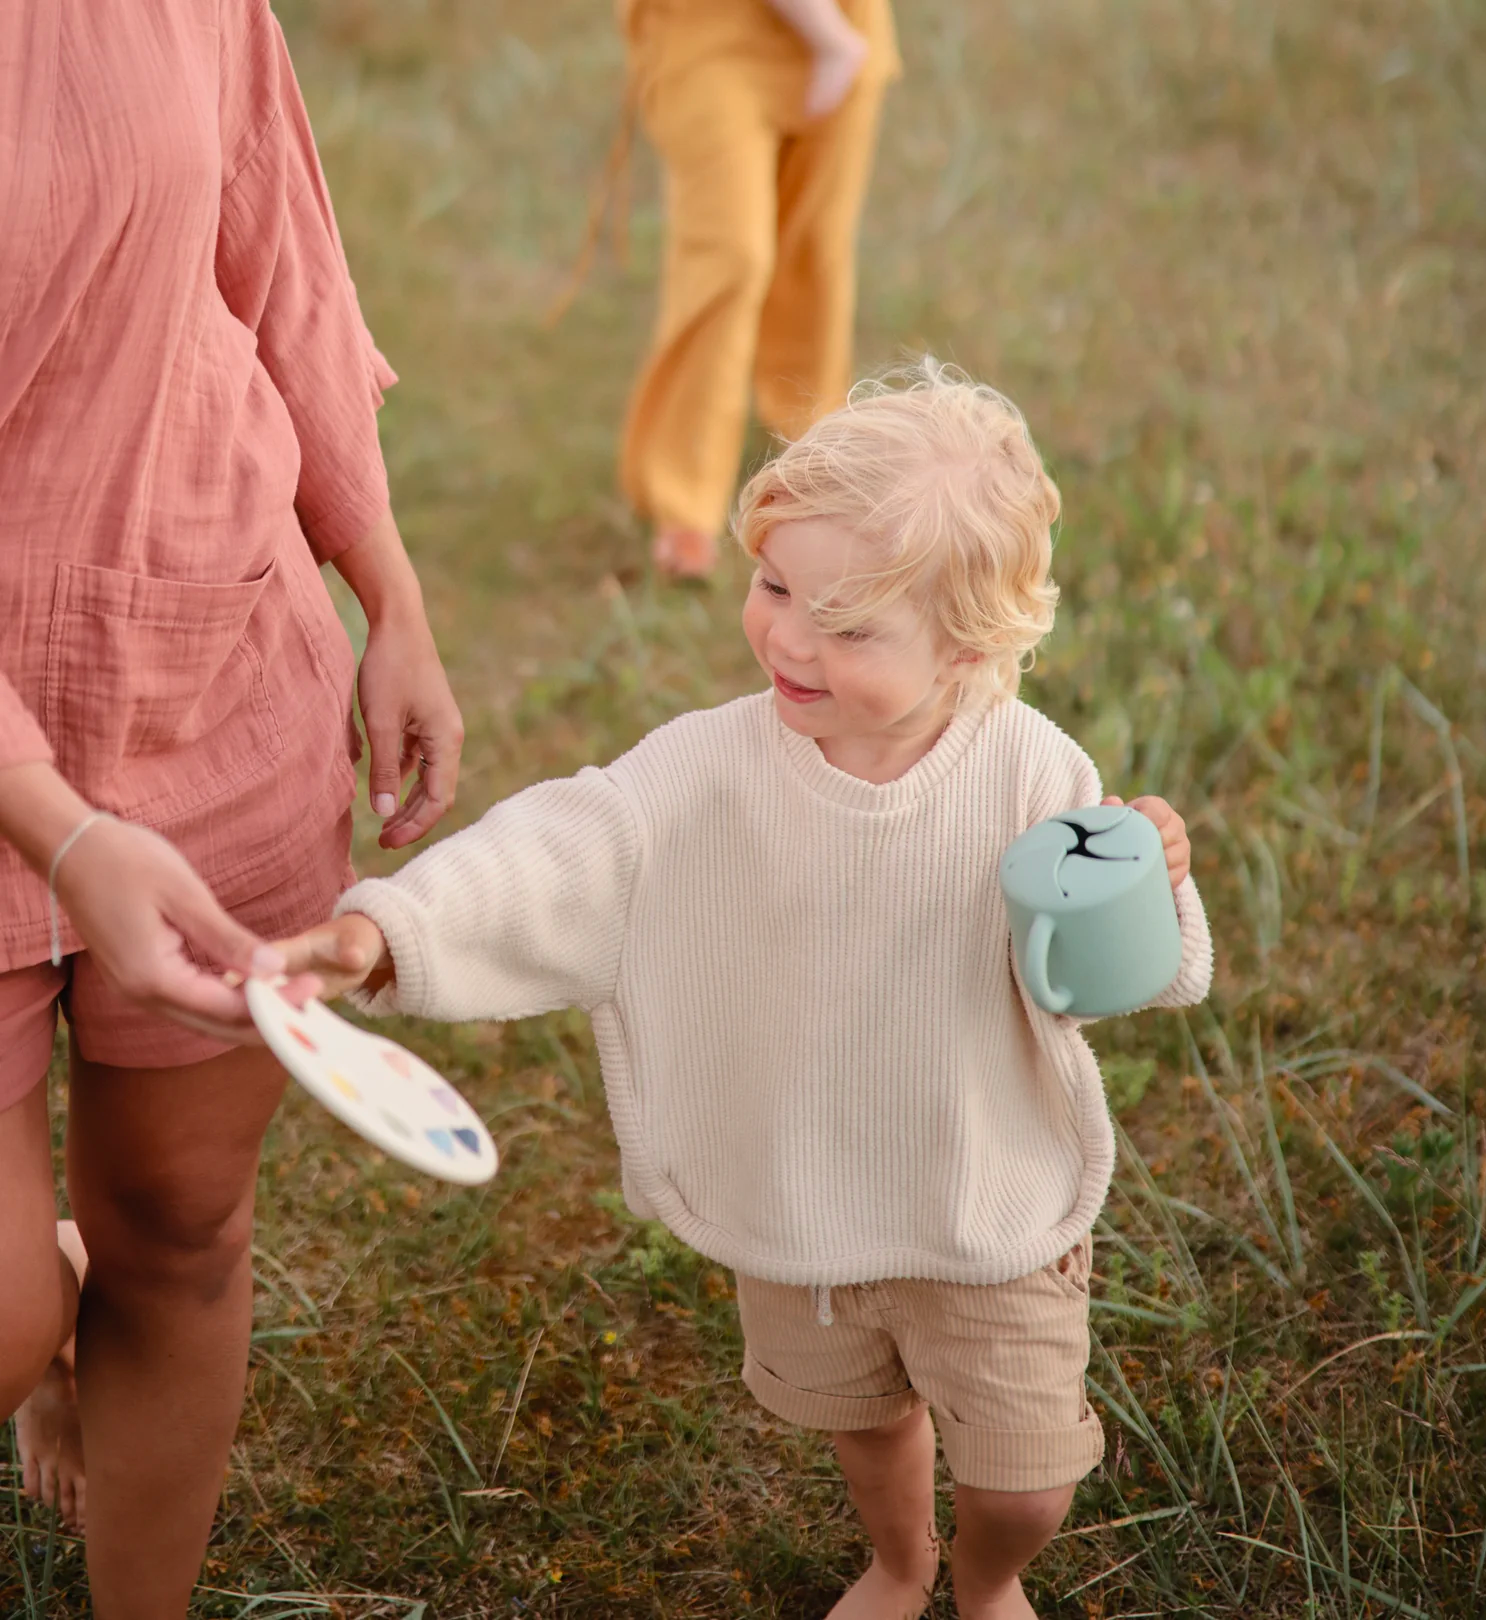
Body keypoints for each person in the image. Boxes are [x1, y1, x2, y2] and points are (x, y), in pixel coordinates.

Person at [281, 363, 1214, 1618]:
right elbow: (571, 847)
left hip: (983, 1196)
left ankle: (989, 1580)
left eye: (848, 625)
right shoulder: (712, 772)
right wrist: (386, 932)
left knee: (1027, 1479)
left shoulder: (1032, 772)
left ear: (972, 645)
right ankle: (899, 1562)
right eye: (775, 586)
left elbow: (1092, 976)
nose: (787, 637)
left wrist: (1142, 879)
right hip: (804, 1188)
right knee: (865, 1421)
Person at [0, 2, 463, 1612]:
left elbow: (280, 262)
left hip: (212, 672)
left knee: (184, 1225)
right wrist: (56, 828)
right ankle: (43, 1301)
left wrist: (386, 587)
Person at [615, 0, 899, 579]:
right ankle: (684, 494)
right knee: (730, 256)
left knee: (815, 252)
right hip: (710, 33)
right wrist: (827, 36)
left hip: (849, 23)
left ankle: (815, 447)